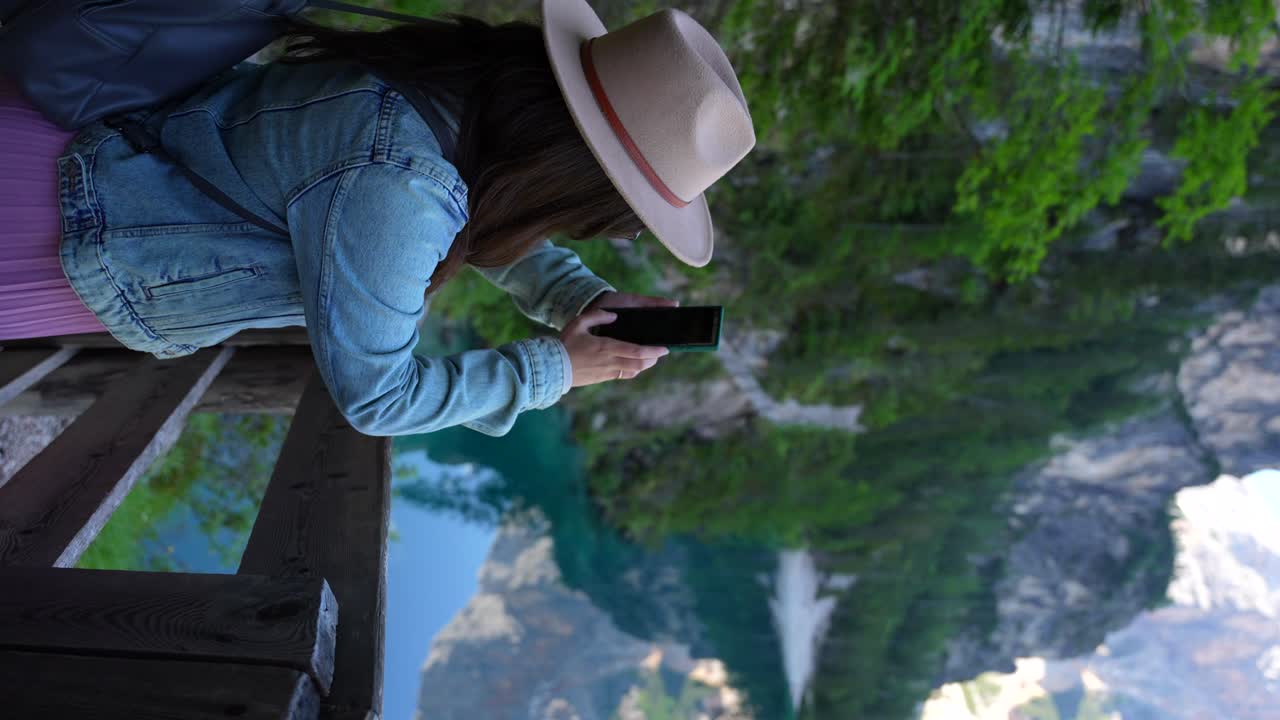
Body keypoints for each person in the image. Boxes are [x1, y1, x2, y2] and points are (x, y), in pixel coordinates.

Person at [0, 0, 755, 436]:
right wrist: (555, 368)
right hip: (56, 235)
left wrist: (577, 299)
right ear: (567, 181)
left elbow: (476, 200)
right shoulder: (400, 188)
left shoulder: (449, 92)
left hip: (72, 156)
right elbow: (379, 396)